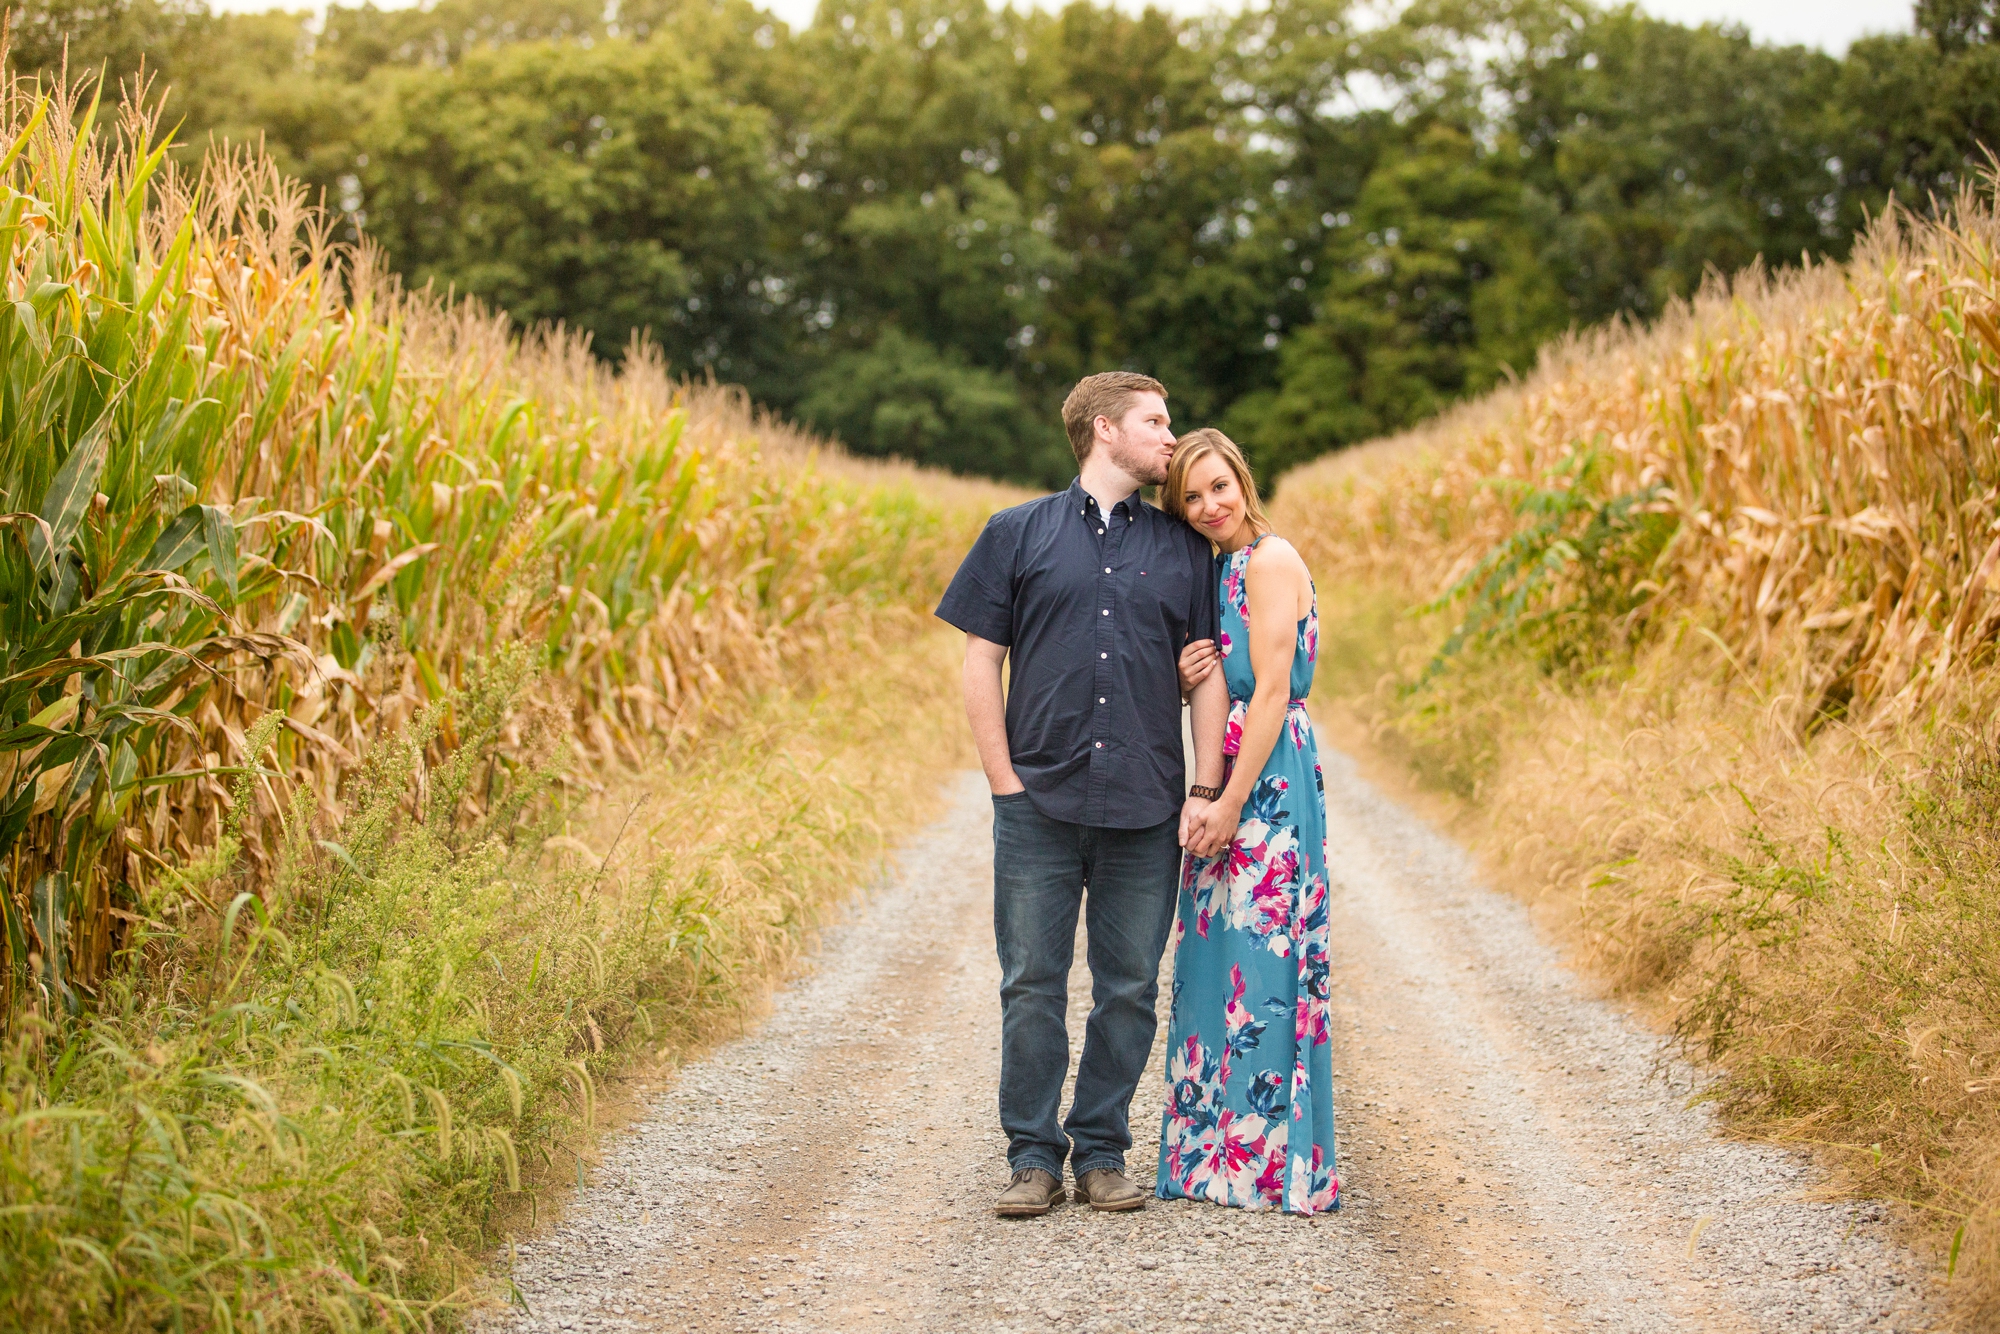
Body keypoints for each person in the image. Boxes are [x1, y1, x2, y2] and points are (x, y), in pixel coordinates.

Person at [935, 372, 1232, 1218]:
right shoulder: (1016, 533)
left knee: (1130, 985)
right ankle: (1032, 1156)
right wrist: (1003, 781)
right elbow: (979, 659)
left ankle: (1101, 1151)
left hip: (1146, 803)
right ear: (1105, 429)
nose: (1170, 438)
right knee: (1031, 981)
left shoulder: (1184, 548)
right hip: (1040, 800)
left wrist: (1206, 786)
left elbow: (1204, 675)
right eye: (1155, 422)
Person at [1155, 427, 1339, 1214]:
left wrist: (1229, 800)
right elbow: (1226, 681)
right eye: (1190, 497)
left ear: (1244, 481)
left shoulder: (1268, 560)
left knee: (1267, 961)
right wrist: (1184, 673)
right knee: (1216, 959)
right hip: (1227, 773)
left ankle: (1275, 1167)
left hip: (1264, 779)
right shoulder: (1220, 567)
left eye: (1218, 488)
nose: (1207, 507)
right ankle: (1214, 1160)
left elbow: (1268, 691)